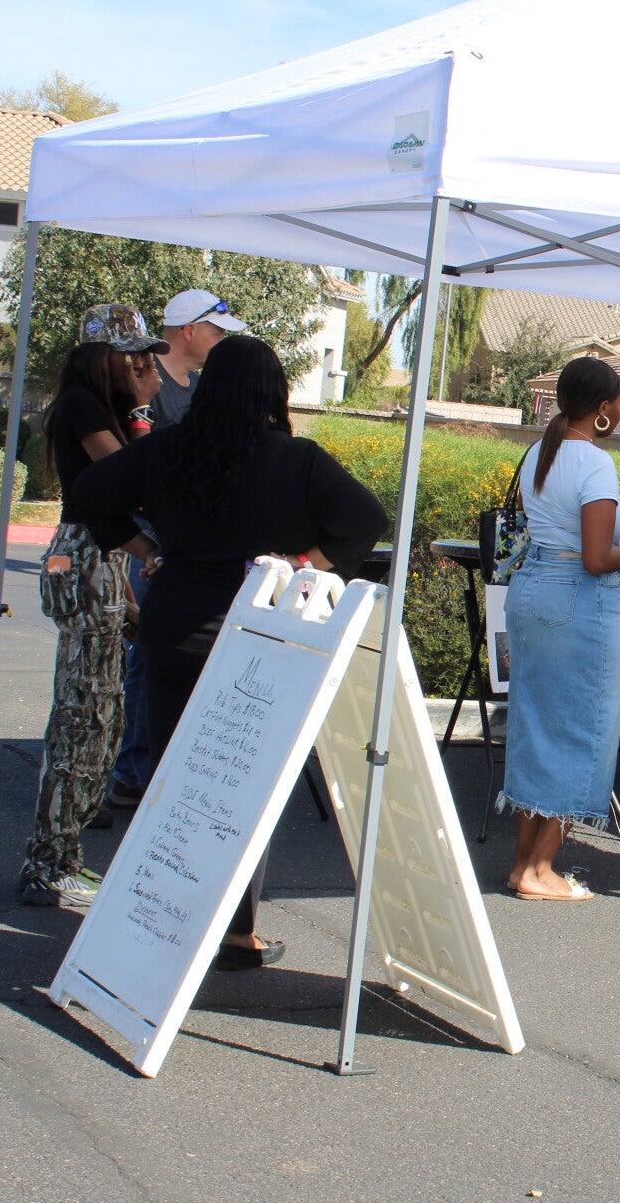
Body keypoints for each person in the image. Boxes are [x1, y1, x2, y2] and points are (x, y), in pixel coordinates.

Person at [67, 335, 387, 968]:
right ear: (273, 392)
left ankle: (159, 921)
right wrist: (299, 566)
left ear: (209, 386)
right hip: (260, 633)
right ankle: (237, 934)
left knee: (172, 781)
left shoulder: (167, 447)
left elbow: (88, 495)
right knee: (244, 787)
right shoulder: (296, 459)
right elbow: (366, 520)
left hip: (175, 624)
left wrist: (148, 551)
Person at [499, 356, 620, 902]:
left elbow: (567, 533)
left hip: (532, 589)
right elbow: (596, 559)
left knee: (535, 728)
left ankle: (522, 864)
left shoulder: (539, 452)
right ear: (602, 409)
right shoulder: (595, 462)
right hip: (577, 600)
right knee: (584, 731)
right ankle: (540, 870)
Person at [16, 304, 165, 908]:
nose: (143, 366)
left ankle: (63, 855)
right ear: (103, 356)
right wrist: (144, 407)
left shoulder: (103, 407)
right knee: (82, 716)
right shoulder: (81, 405)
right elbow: (132, 478)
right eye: (133, 356)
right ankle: (48, 862)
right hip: (83, 561)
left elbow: (130, 490)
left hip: (102, 559)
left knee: (102, 715)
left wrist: (139, 409)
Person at [104, 290, 246, 812]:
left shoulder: (200, 387)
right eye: (217, 330)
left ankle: (155, 768)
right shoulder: (145, 382)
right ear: (189, 329)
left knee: (170, 655)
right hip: (149, 537)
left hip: (187, 539)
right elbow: (130, 466)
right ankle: (133, 772)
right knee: (146, 654)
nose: (221, 340)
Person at [150, 289, 247, 428]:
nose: (222, 344)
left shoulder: (202, 386)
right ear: (189, 331)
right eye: (218, 335)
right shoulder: (141, 378)